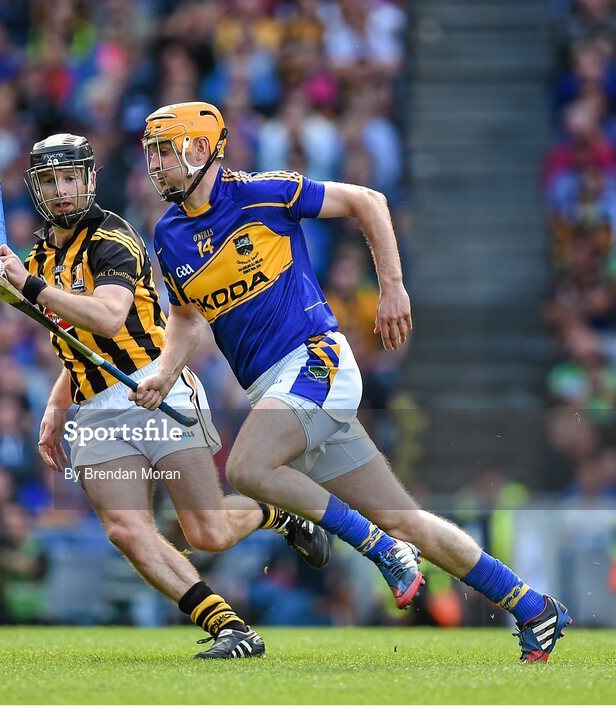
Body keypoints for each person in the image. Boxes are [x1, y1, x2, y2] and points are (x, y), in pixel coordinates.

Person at [134, 101, 571, 663]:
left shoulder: (264, 193)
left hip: (317, 362)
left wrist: (392, 286)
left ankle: (379, 549)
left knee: (245, 468)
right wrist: (164, 372)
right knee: (407, 519)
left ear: (201, 148)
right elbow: (189, 318)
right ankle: (533, 606)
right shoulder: (168, 233)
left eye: (166, 150)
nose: (156, 163)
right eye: (152, 152)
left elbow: (369, 201)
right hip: (279, 392)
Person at [0, 133, 330, 659]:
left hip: (156, 388)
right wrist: (57, 403)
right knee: (126, 530)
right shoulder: (38, 256)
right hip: (94, 413)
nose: (61, 191)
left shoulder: (114, 238)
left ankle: (278, 515)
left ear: (89, 179)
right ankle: (229, 627)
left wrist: (29, 289)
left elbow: (107, 318)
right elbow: (72, 340)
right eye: (49, 181)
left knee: (208, 531)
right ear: (35, 188)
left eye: (70, 178)